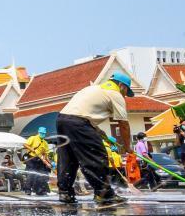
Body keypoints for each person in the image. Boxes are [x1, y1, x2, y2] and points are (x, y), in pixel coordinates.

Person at [55, 72, 133, 206]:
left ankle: (65, 192)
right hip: (79, 123)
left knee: (68, 158)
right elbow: (123, 124)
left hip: (62, 120)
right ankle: (104, 194)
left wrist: (100, 133)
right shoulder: (115, 94)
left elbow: (83, 114)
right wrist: (127, 147)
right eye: (126, 91)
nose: (125, 95)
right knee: (96, 155)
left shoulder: (93, 89)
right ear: (121, 86)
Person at [23, 127, 52, 196]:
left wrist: (48, 163)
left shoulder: (45, 143)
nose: (42, 134)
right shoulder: (33, 138)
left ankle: (40, 190)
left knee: (42, 174)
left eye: (44, 133)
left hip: (40, 160)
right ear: (38, 132)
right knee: (31, 174)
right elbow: (25, 144)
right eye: (41, 133)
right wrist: (32, 149)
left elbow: (45, 154)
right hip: (32, 158)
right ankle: (28, 190)